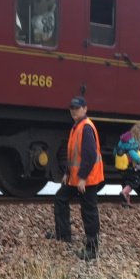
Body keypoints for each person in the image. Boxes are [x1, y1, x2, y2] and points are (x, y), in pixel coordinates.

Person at [50, 96, 105, 260]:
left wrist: (82, 178)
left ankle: (92, 248)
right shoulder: (77, 126)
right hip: (76, 177)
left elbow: (89, 155)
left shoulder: (86, 128)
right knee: (60, 198)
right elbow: (74, 155)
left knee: (88, 211)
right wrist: (67, 172)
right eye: (72, 108)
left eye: (77, 108)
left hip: (87, 179)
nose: (74, 111)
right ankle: (63, 234)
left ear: (85, 109)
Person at [116, 123, 140, 208]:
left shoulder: (124, 138)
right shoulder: (133, 141)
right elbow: (132, 153)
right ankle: (124, 193)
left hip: (122, 165)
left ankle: (126, 202)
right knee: (134, 182)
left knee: (126, 182)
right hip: (130, 165)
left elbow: (116, 150)